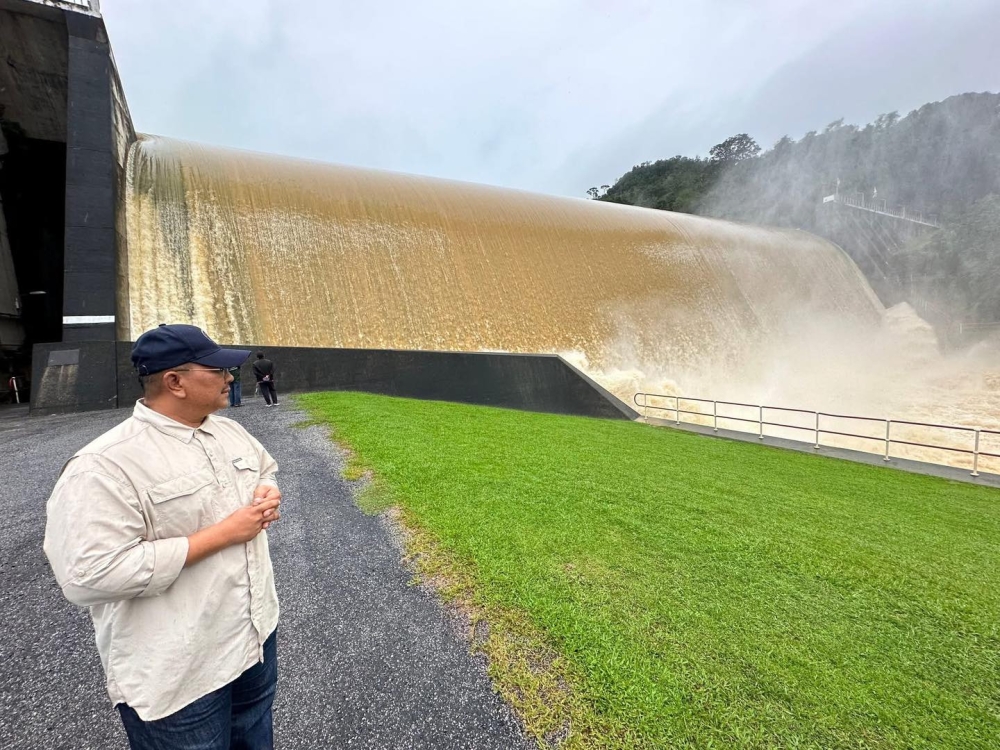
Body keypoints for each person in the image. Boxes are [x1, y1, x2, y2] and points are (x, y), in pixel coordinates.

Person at [44, 323, 282, 749]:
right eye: (217, 370)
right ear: (175, 381)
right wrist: (223, 534)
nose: (230, 378)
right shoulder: (104, 466)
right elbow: (88, 576)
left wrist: (267, 489)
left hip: (253, 639)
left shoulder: (227, 430)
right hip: (181, 671)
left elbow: (265, 467)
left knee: (255, 735)